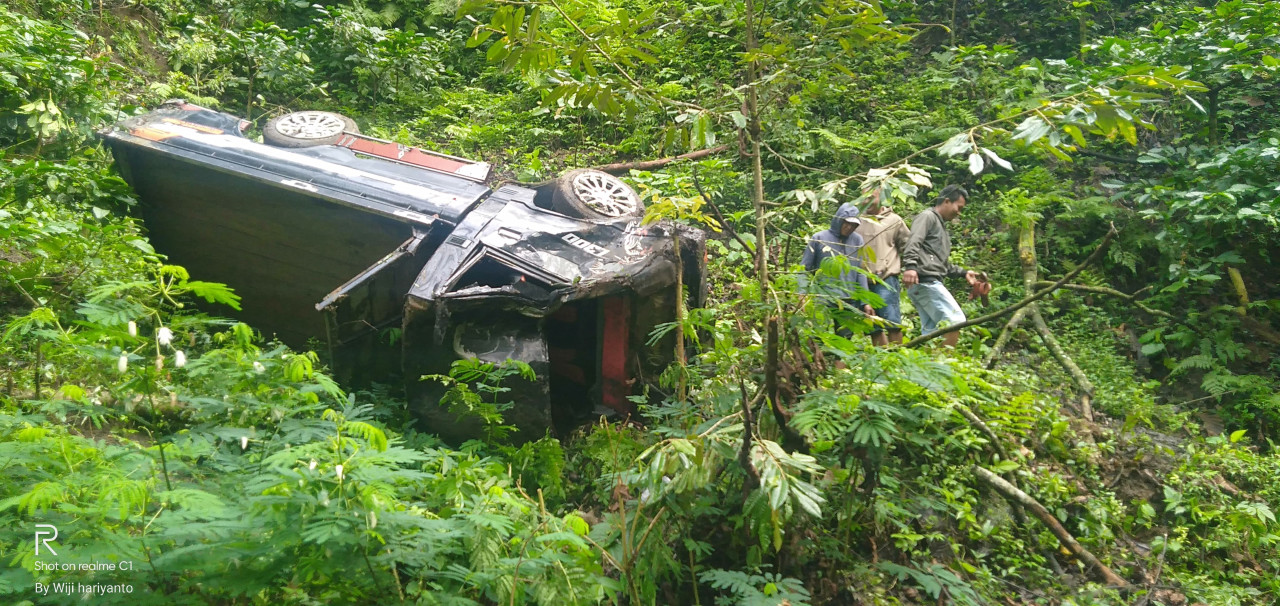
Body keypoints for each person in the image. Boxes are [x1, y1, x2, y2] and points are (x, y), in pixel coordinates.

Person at [900, 184, 990, 347]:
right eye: (959, 207)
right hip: (925, 281)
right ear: (947, 201)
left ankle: (929, 368)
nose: (959, 212)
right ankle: (945, 363)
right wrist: (911, 267)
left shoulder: (941, 227)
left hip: (928, 280)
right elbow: (913, 242)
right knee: (955, 321)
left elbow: (940, 263)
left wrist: (963, 273)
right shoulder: (927, 217)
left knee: (932, 332)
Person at [802, 202, 876, 336]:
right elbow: (805, 268)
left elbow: (860, 272)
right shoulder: (819, 238)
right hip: (823, 296)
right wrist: (801, 293)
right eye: (846, 223)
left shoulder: (857, 240)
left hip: (848, 297)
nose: (849, 228)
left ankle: (838, 358)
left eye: (853, 225)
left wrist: (866, 302)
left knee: (845, 337)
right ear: (838, 220)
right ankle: (819, 355)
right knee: (818, 333)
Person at [855, 189, 911, 345]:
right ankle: (883, 363)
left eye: (871, 198)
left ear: (881, 197)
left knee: (892, 323)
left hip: (886, 279)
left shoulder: (894, 220)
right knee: (873, 326)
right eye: (864, 198)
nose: (866, 202)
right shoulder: (856, 221)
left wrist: (910, 269)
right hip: (862, 281)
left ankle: (898, 358)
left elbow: (908, 247)